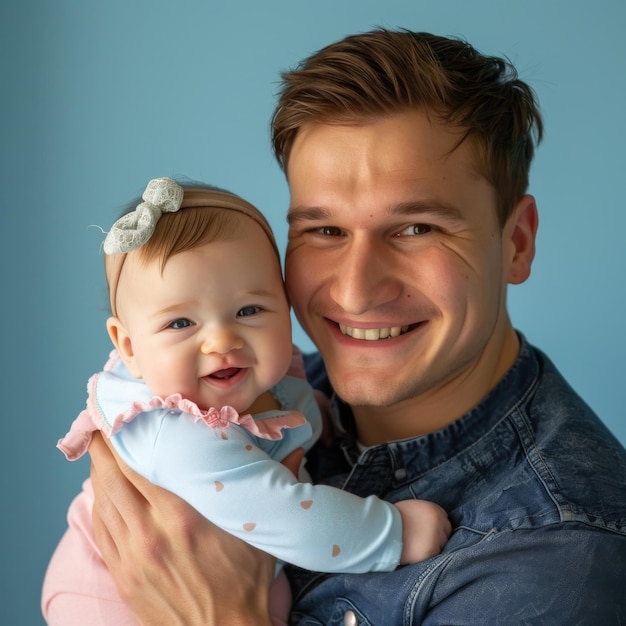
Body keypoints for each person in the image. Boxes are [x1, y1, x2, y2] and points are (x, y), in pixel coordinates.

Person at [83, 28, 626, 624]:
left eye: (416, 228)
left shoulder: (554, 564)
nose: (355, 291)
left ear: (516, 243)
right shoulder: (260, 390)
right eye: (324, 231)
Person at [42, 177, 451, 625]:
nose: (221, 340)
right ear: (130, 347)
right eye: (181, 322)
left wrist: (312, 412)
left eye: (249, 311)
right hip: (109, 598)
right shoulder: (176, 433)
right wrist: (392, 533)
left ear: (285, 303)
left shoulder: (258, 382)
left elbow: (281, 406)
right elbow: (287, 515)